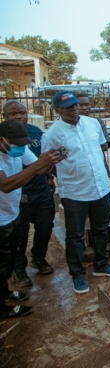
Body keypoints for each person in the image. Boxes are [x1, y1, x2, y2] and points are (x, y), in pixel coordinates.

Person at [42, 91, 110, 295]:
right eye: (68, 107)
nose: (74, 109)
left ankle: (101, 264)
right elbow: (47, 164)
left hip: (100, 187)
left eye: (75, 105)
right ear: (57, 110)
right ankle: (77, 274)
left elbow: (100, 148)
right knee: (75, 236)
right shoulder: (51, 135)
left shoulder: (92, 124)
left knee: (101, 229)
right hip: (75, 192)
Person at [0, 120, 61, 319]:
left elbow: (38, 168)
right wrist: (38, 166)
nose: (20, 147)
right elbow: (6, 185)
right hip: (1, 218)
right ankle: (1, 308)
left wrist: (51, 160)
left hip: (11, 212)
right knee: (1, 263)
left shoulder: (18, 148)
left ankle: (5, 295)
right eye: (15, 143)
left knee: (8, 260)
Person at [76, 93, 110, 176]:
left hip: (99, 167)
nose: (84, 108)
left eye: (87, 104)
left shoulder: (97, 122)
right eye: (80, 105)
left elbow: (105, 146)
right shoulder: (70, 126)